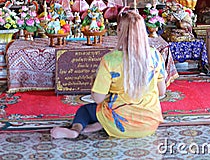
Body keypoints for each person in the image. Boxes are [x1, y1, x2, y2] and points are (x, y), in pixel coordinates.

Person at [50, 9, 166, 139]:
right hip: (150, 123)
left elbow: (98, 98)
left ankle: (76, 129)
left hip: (120, 124)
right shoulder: (155, 55)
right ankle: (100, 124)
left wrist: (96, 83)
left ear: (120, 32)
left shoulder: (110, 60)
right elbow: (162, 91)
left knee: (86, 110)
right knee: (108, 107)